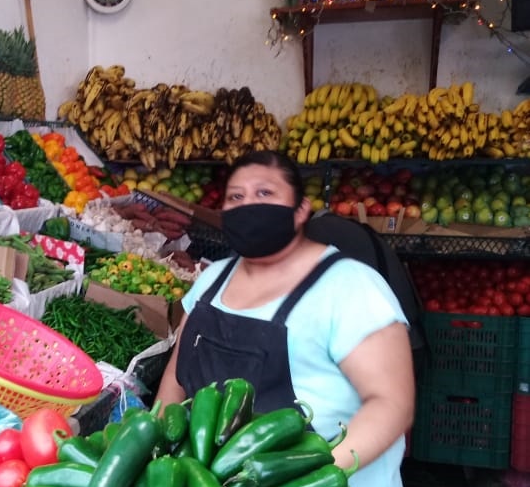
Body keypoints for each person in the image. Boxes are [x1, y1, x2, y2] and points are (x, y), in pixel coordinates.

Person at [155, 150, 414, 487]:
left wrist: (305, 476)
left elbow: (391, 405)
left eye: (265, 193)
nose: (249, 205)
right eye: (236, 197)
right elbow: (174, 382)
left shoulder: (350, 287)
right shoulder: (210, 280)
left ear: (300, 210)